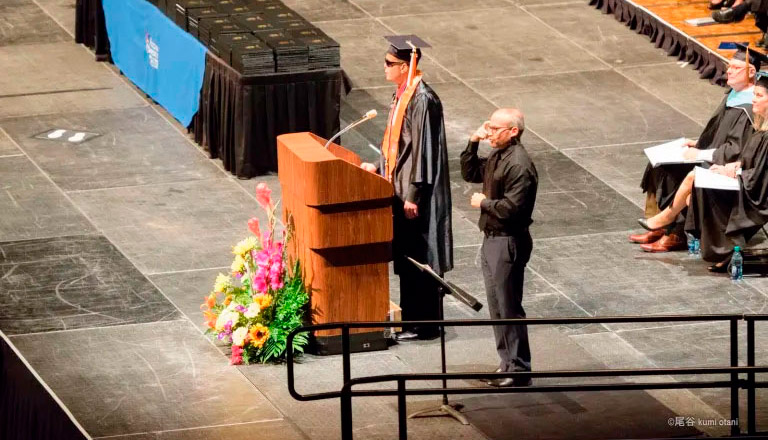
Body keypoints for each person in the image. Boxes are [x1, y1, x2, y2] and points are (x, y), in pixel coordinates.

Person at [360, 35, 453, 341]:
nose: (384, 67)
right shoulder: (402, 94)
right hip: (399, 187)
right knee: (407, 257)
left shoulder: (422, 99)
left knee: (420, 256)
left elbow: (424, 150)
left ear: (407, 65)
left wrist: (413, 196)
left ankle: (426, 326)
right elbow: (398, 144)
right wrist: (379, 165)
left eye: (390, 63)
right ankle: (413, 320)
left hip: (416, 195)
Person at [633, 46, 758, 252]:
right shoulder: (734, 95)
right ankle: (658, 225)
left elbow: (735, 150)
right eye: (728, 66)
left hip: (727, 164)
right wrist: (699, 143)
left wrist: (700, 153)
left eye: (736, 67)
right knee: (660, 164)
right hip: (712, 153)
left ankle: (676, 234)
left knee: (680, 173)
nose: (729, 70)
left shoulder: (749, 108)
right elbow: (720, 134)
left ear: (751, 72)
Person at [460, 108, 537, 387]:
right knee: (497, 307)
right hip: (492, 239)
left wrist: (483, 203)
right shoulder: (497, 155)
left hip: (508, 241)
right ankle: (506, 363)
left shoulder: (519, 165)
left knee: (509, 306)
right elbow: (470, 172)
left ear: (513, 131)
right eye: (488, 127)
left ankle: (519, 370)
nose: (489, 132)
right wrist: (474, 141)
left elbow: (512, 210)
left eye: (494, 129)